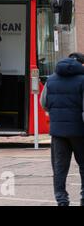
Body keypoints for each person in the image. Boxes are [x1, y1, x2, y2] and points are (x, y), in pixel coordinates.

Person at [40, 52, 84, 206]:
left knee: (59, 169)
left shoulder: (51, 80)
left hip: (58, 132)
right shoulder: (83, 80)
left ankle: (62, 200)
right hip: (80, 131)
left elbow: (44, 102)